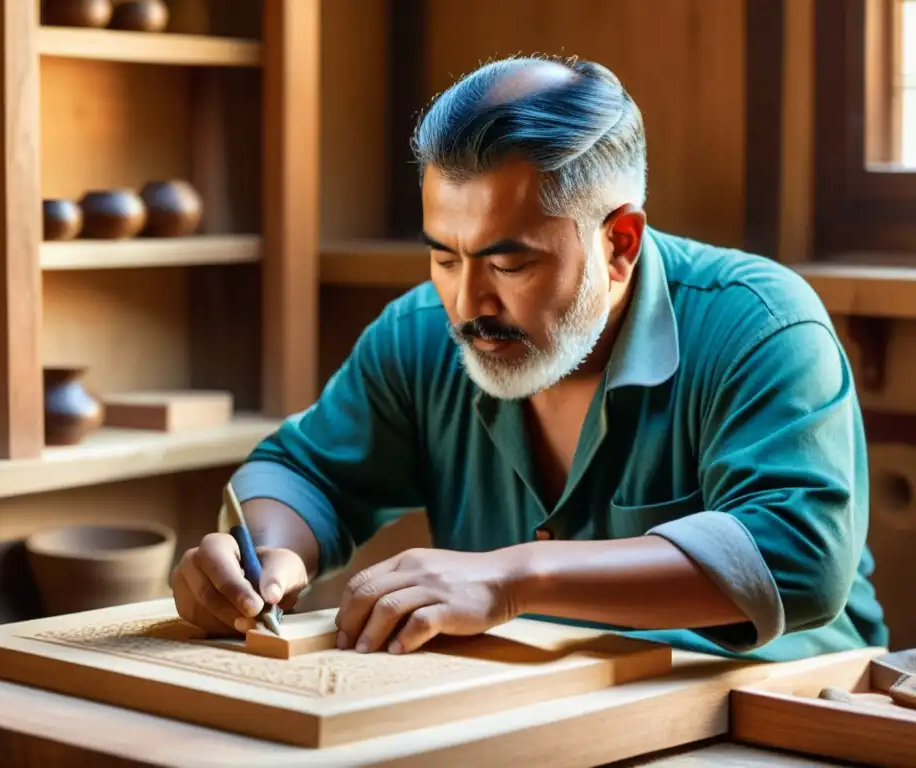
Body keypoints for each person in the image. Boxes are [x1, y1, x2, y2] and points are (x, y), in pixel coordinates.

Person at [171, 55, 888, 662]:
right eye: (443, 256)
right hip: (527, 711)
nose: (466, 302)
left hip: (768, 709)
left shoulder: (759, 324)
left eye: (507, 263)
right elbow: (305, 471)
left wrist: (517, 577)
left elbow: (798, 555)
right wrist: (263, 556)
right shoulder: (421, 332)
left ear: (620, 244)